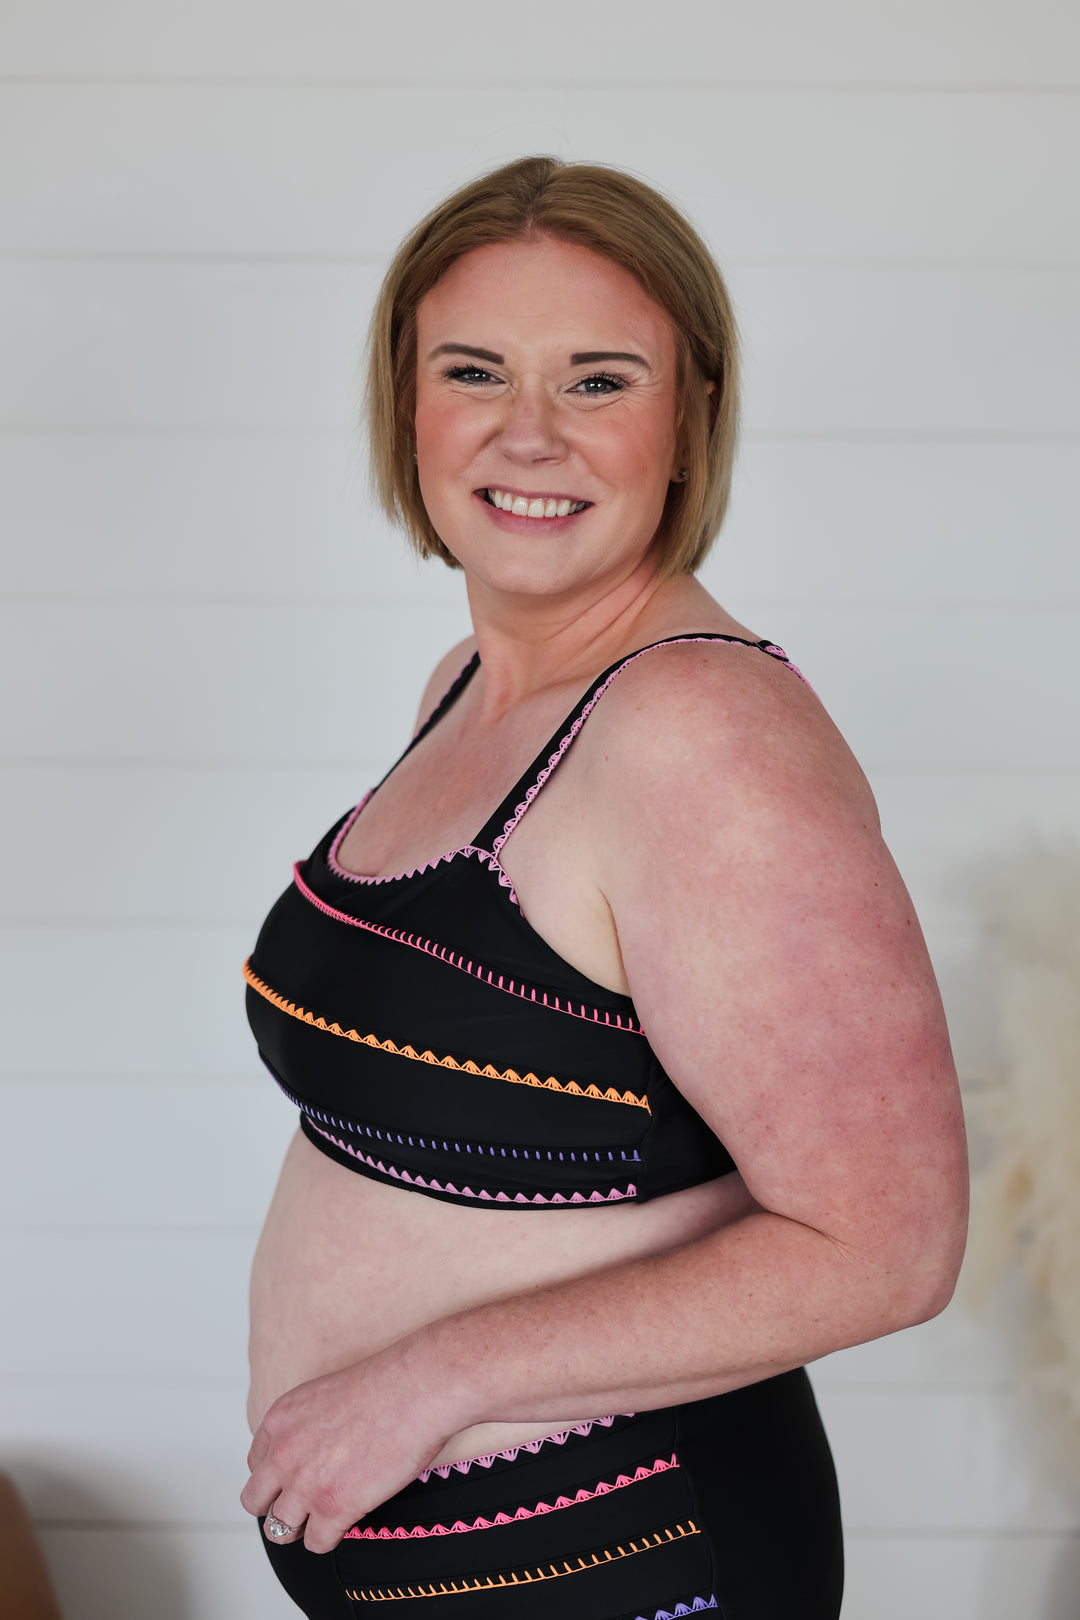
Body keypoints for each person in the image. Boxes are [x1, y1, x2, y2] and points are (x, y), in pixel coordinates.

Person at [239, 156, 968, 1619]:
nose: (528, 433)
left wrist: (430, 1379)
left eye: (598, 380)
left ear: (690, 420)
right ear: (407, 406)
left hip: (631, 1560)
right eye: (473, 371)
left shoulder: (699, 736)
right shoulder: (468, 686)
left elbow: (888, 1245)